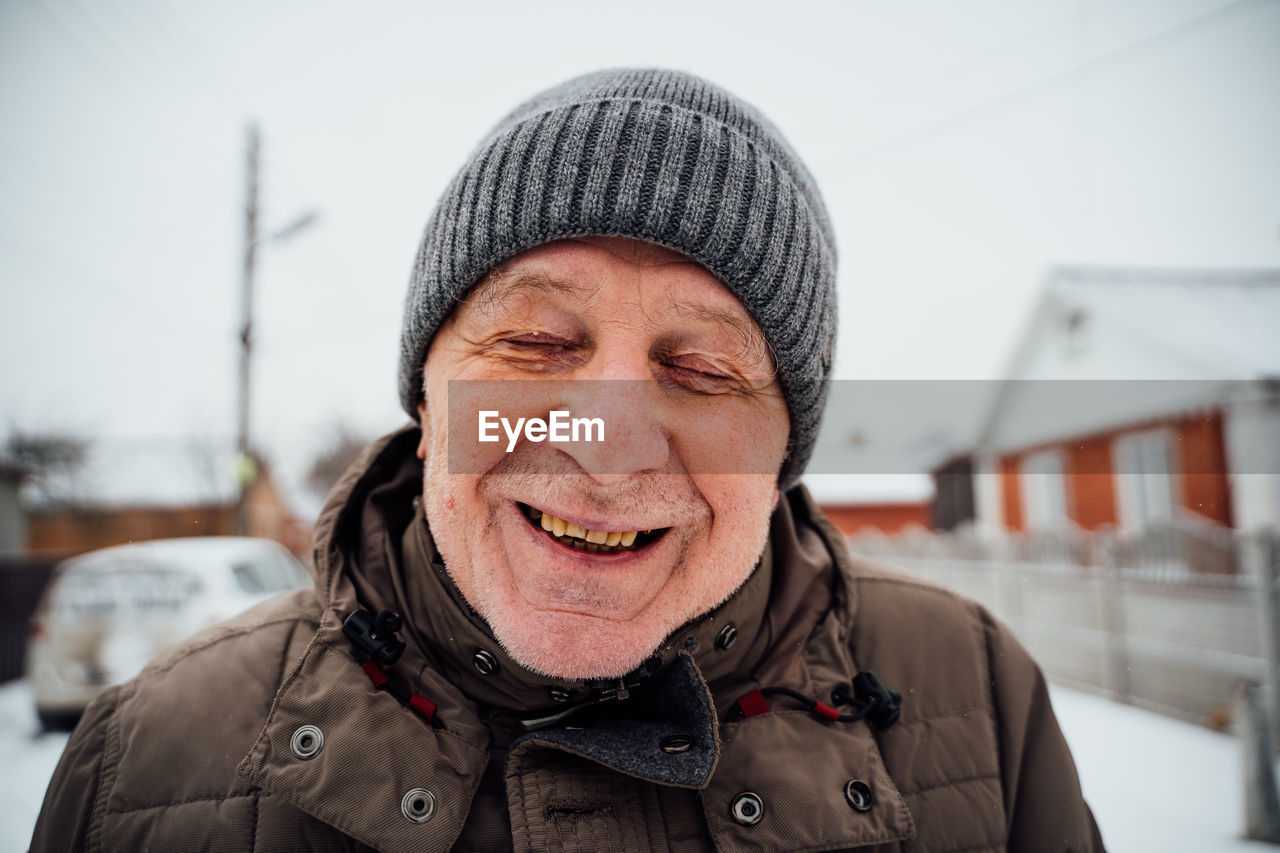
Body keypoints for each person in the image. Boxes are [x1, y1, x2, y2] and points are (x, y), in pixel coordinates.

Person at [32, 68, 1104, 852]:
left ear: (785, 449)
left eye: (699, 369)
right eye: (537, 346)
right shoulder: (146, 756)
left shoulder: (977, 691)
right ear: (427, 391)